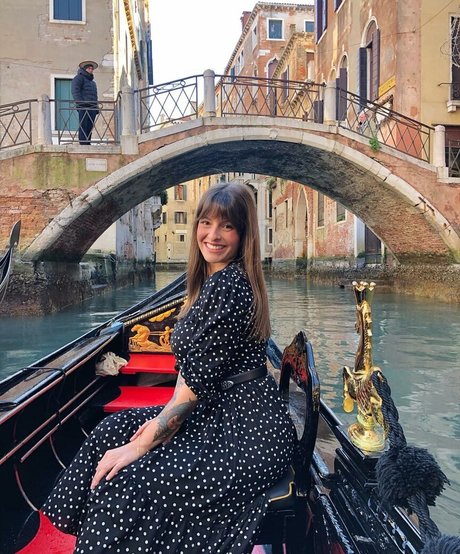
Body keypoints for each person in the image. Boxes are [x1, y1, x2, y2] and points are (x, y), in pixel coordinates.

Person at [42, 182, 296, 553]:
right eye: (206, 222)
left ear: (244, 235)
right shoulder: (210, 282)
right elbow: (189, 372)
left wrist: (144, 444)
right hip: (222, 413)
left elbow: (195, 386)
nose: (213, 235)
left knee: (127, 479)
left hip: (247, 434)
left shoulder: (229, 286)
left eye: (227, 226)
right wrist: (156, 427)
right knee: (112, 430)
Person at [71, 60, 99, 145]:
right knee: (83, 125)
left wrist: (96, 107)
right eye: (89, 68)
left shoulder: (93, 83)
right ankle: (83, 142)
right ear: (85, 69)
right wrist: (80, 103)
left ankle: (88, 142)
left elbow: (95, 96)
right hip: (83, 106)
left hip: (92, 107)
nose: (91, 70)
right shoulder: (78, 78)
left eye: (92, 69)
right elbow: (75, 91)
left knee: (90, 126)